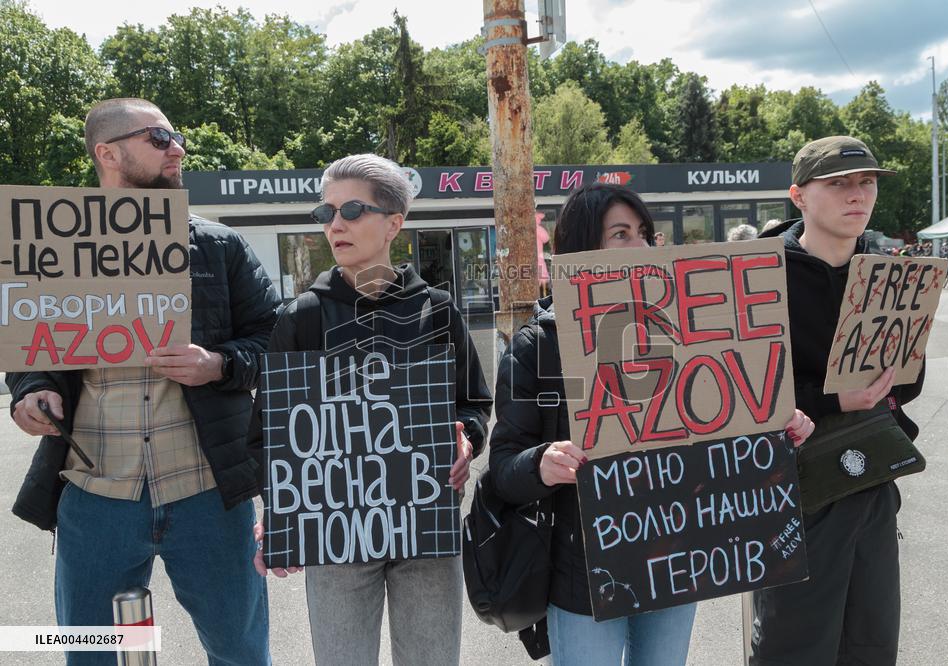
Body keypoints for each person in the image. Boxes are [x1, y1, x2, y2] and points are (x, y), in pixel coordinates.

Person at [489, 183, 815, 665]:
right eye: (620, 233)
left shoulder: (688, 328)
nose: (640, 246)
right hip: (584, 578)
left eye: (644, 232)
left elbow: (722, 431)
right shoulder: (538, 346)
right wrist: (542, 463)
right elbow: (502, 468)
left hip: (675, 563)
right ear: (580, 247)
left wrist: (776, 427)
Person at [7, 98, 280, 664]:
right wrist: (30, 391)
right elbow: (30, 349)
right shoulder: (55, 248)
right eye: (159, 138)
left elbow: (274, 342)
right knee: (92, 654)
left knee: (241, 652)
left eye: (176, 136)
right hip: (95, 494)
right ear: (108, 153)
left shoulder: (218, 245)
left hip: (208, 491)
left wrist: (219, 364)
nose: (178, 148)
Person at [247, 153, 492, 665]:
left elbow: (472, 403)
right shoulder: (302, 318)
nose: (335, 224)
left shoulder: (438, 311)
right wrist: (281, 514)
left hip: (426, 527)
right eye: (325, 212)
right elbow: (270, 431)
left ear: (394, 223)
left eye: (352, 210)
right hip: (338, 533)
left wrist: (466, 439)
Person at [754, 136, 926, 665]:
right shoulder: (759, 276)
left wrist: (889, 372)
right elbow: (744, 392)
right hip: (793, 490)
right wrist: (834, 398)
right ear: (798, 195)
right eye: (838, 183)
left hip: (872, 478)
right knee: (795, 649)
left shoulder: (889, 272)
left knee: (871, 644)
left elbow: (908, 383)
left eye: (866, 182)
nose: (857, 195)